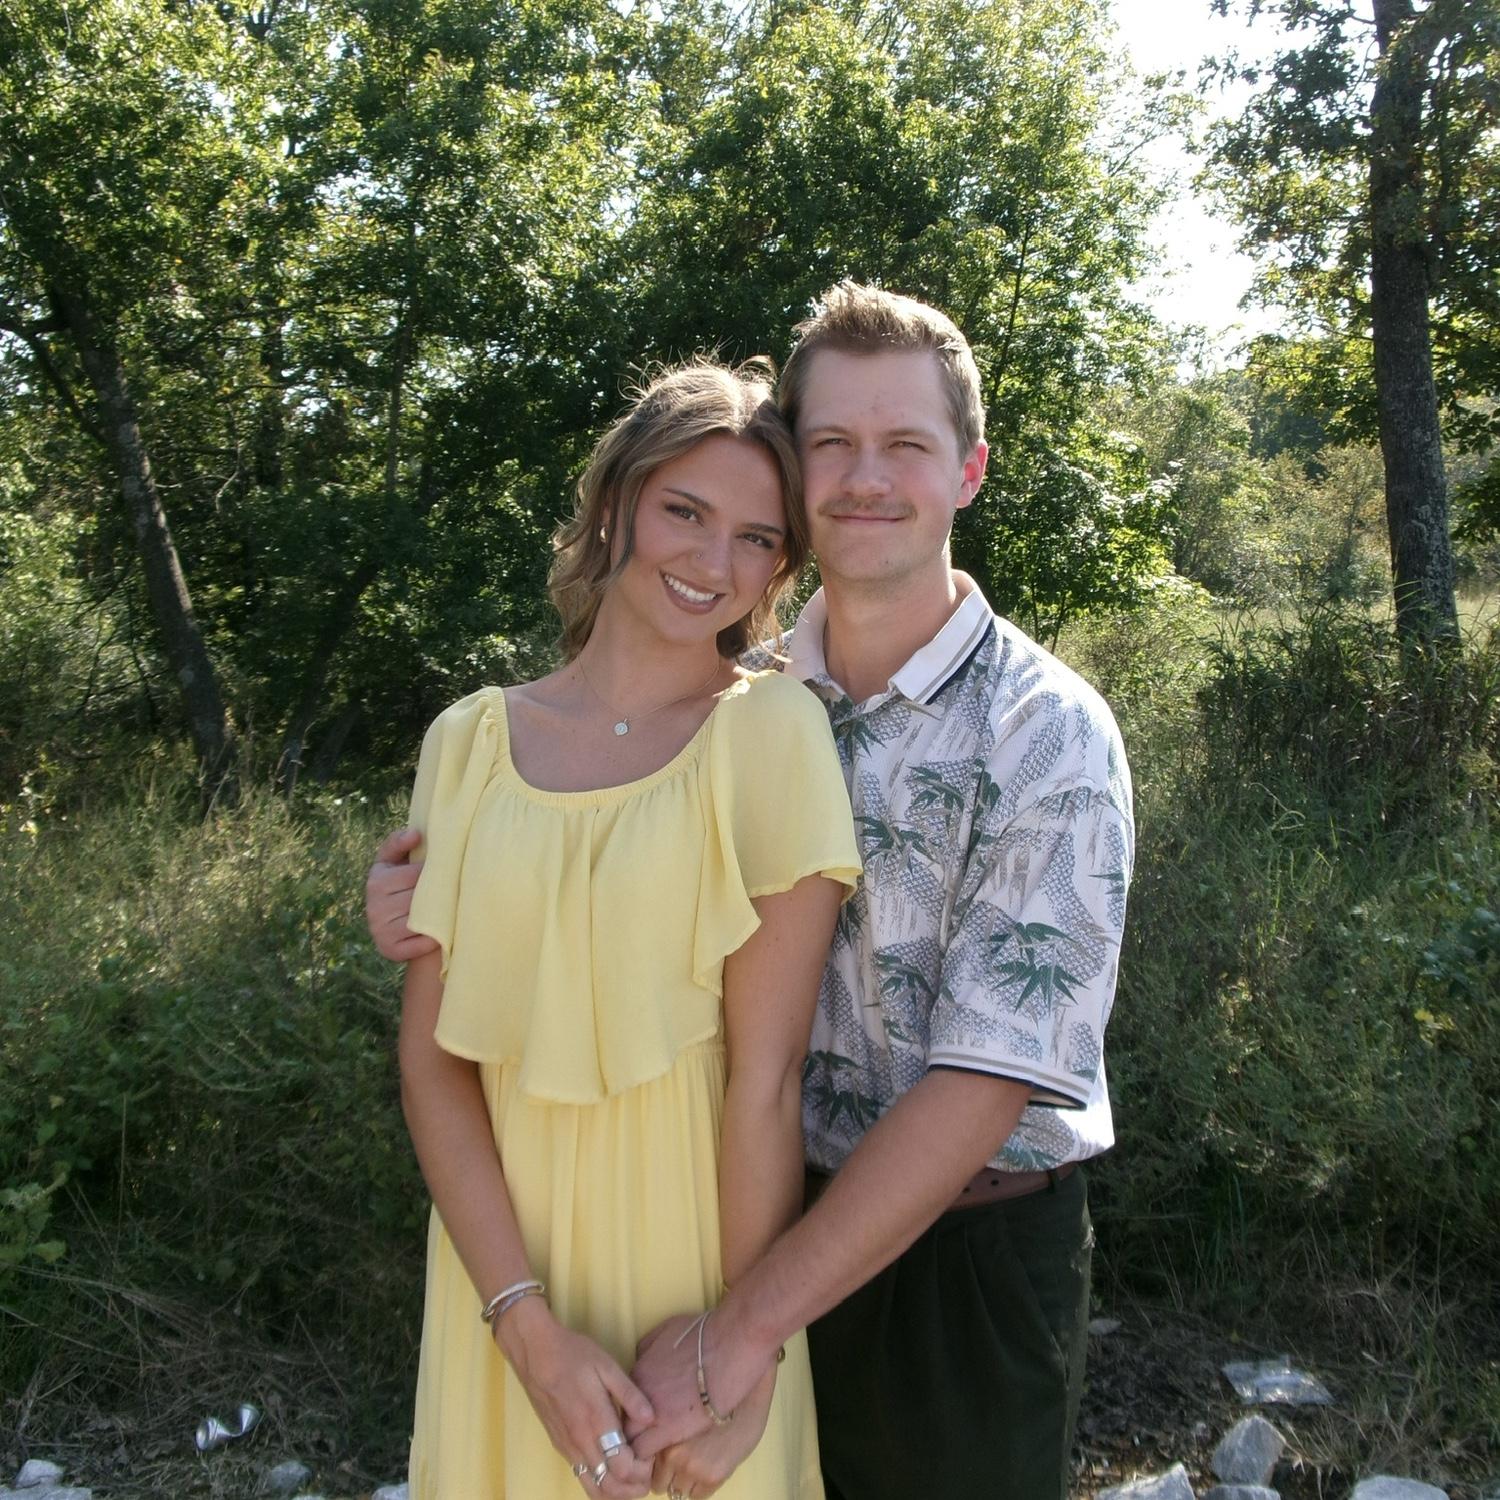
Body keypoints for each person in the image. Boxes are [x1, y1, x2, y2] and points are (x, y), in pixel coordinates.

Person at [372, 284, 1133, 1500]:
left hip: (957, 1258)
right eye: (832, 442)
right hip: (742, 1229)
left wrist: (743, 1332)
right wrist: (453, 898)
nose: (865, 477)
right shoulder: (746, 690)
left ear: (970, 470)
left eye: (905, 445)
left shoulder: (1046, 732)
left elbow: (988, 1075)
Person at [393, 359, 860, 1500]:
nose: (712, 561)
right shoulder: (467, 742)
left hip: (694, 1296)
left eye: (756, 539)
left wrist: (742, 1362)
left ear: (781, 567)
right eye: (684, 512)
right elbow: (434, 1061)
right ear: (617, 502)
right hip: (500, 1284)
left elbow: (766, 1082)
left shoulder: (773, 735)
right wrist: (526, 1330)